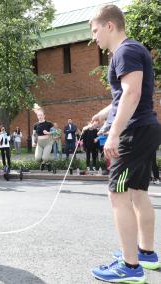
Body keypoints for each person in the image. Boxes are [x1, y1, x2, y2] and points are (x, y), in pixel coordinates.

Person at [89, 5, 161, 283]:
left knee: (117, 195)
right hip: (145, 127)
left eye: (95, 31)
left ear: (109, 26)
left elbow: (132, 93)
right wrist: (104, 114)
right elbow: (125, 94)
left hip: (134, 132)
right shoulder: (132, 50)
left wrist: (115, 133)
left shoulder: (124, 52)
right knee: (137, 192)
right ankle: (145, 254)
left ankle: (130, 268)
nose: (94, 38)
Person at [32, 104, 54, 171]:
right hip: (39, 143)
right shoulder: (35, 125)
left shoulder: (49, 124)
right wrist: (33, 142)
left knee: (44, 158)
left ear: (44, 116)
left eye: (41, 115)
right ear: (37, 116)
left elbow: (55, 132)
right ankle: (48, 163)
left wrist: (48, 133)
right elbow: (33, 134)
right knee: (37, 158)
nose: (40, 116)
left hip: (48, 142)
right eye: (38, 115)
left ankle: (45, 161)